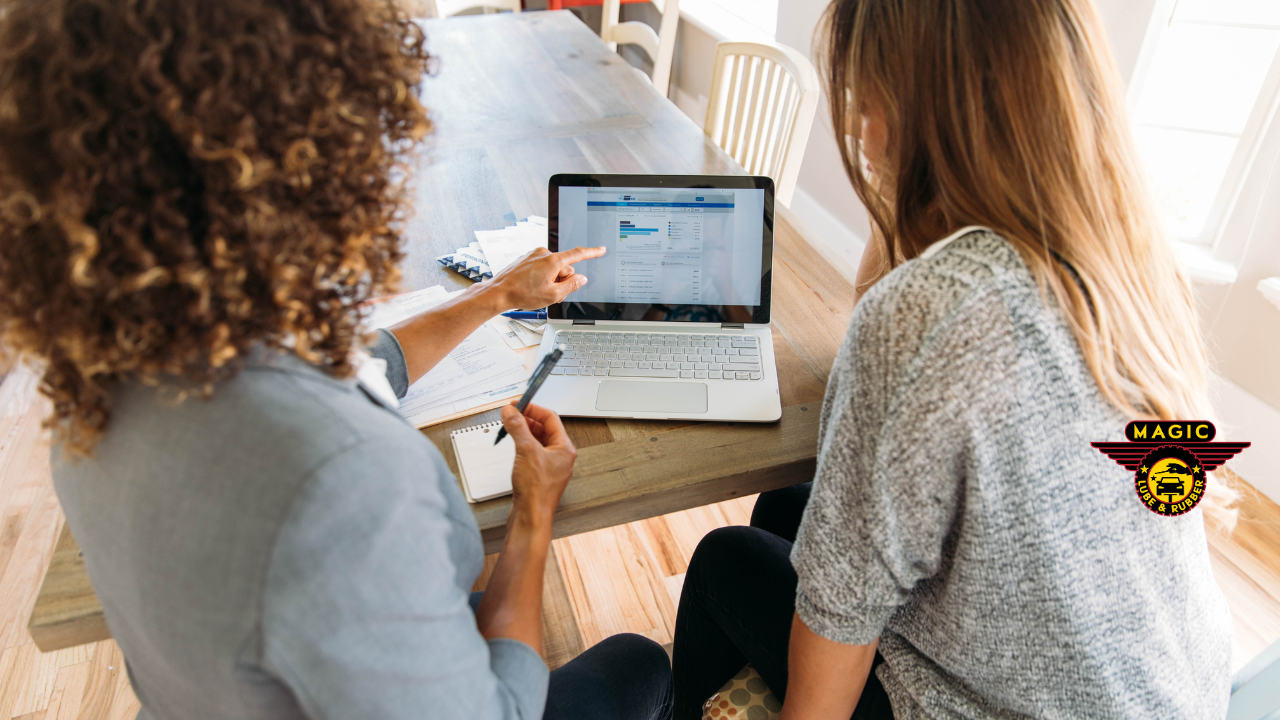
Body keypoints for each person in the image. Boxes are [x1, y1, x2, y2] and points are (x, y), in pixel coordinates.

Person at [0, 1, 673, 718]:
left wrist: (495, 295)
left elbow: (361, 363)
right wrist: (534, 514)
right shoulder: (342, 478)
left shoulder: (104, 378)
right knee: (637, 664)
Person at [671, 0, 1235, 718]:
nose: (854, 129)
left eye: (867, 100)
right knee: (788, 507)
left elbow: (838, 624)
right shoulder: (1127, 257)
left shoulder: (928, 312)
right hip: (1173, 694)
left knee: (724, 558)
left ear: (926, 111)